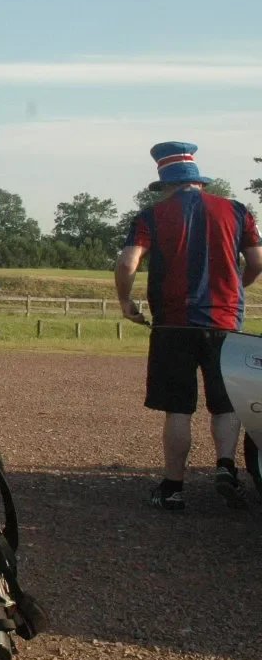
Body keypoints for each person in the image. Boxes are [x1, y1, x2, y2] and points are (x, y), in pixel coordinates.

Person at [115, 141, 262, 512]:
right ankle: (225, 466)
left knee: (178, 409)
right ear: (199, 181)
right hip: (224, 322)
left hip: (172, 326)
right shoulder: (236, 211)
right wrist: (236, 288)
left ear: (167, 183)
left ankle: (173, 487)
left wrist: (125, 301)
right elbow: (258, 260)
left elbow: (127, 262)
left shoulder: (152, 216)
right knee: (225, 404)